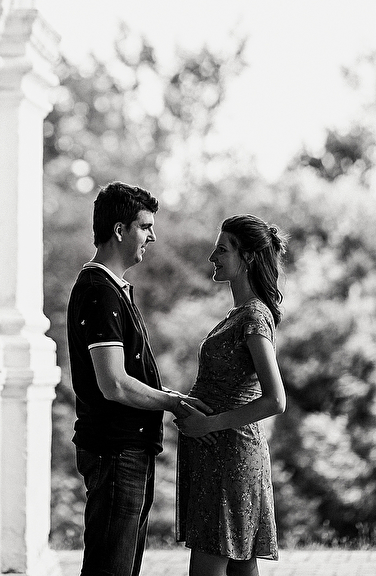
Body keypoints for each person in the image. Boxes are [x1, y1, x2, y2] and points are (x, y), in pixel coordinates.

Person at [67, 181, 210, 576]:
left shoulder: (113, 289)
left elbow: (123, 377)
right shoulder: (99, 291)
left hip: (127, 451)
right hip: (116, 452)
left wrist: (172, 397)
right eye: (145, 227)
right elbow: (113, 383)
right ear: (119, 230)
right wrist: (173, 403)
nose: (152, 236)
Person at [174, 214, 288, 576]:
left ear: (248, 256)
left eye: (222, 250)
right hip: (219, 455)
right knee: (240, 566)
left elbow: (276, 399)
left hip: (230, 456)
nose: (213, 257)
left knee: (208, 566)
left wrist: (209, 424)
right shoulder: (238, 314)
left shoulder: (253, 316)